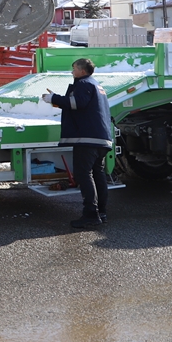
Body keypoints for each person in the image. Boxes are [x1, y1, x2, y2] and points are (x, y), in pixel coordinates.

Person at [41, 57, 113, 229]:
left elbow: (77, 103)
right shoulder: (96, 85)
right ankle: (101, 212)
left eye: (73, 69)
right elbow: (83, 106)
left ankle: (90, 214)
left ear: (82, 70)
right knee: (98, 174)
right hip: (100, 138)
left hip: (87, 138)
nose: (72, 72)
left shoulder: (83, 84)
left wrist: (53, 98)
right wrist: (59, 102)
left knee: (83, 174)